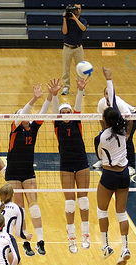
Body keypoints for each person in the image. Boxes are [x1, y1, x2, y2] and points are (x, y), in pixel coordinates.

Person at [45, 78, 91, 254]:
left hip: (81, 163)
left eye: (67, 111)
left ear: (72, 114)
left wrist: (80, 90)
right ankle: (71, 236)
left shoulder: (77, 123)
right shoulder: (57, 124)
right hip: (65, 165)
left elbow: (78, 105)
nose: (64, 114)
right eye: (62, 112)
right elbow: (55, 110)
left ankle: (85, 233)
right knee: (70, 202)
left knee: (84, 199)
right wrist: (55, 95)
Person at [95, 67, 131, 265]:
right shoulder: (123, 131)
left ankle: (106, 245)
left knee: (102, 210)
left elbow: (100, 156)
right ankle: (125, 247)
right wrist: (109, 79)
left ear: (104, 120)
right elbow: (116, 105)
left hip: (109, 175)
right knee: (121, 213)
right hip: (124, 174)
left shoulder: (102, 138)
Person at [6, 83, 47, 257]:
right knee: (20, 208)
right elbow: (23, 113)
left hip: (28, 172)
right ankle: (25, 242)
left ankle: (40, 240)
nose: (23, 115)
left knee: (34, 206)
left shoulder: (33, 128)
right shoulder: (15, 129)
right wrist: (34, 98)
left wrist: (50, 96)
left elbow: (44, 113)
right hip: (14, 173)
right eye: (20, 114)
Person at [94, 82, 136, 176]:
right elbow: (101, 118)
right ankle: (102, 160)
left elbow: (129, 119)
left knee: (127, 140)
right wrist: (104, 131)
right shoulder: (101, 103)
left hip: (131, 118)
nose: (108, 95)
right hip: (115, 118)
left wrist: (127, 134)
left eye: (110, 93)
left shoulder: (119, 103)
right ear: (104, 95)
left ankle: (131, 166)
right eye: (106, 93)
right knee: (98, 138)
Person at [61, 3, 87, 95]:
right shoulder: (67, 20)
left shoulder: (82, 20)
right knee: (66, 68)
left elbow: (83, 29)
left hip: (78, 48)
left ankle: (81, 87)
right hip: (67, 47)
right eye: (76, 8)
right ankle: (66, 87)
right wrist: (64, 19)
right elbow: (64, 31)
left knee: (80, 69)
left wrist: (75, 19)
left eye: (79, 8)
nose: (77, 10)